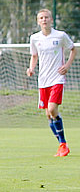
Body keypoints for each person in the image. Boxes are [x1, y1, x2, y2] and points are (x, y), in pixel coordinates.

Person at [27, 8, 76, 157]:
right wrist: (31, 68)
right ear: (38, 21)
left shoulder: (60, 36)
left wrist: (67, 66)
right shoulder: (34, 38)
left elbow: (73, 49)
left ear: (51, 19)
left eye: (46, 17)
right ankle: (62, 144)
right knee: (48, 115)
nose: (44, 20)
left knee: (53, 109)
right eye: (41, 18)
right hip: (43, 80)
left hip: (57, 78)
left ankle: (63, 144)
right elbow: (34, 56)